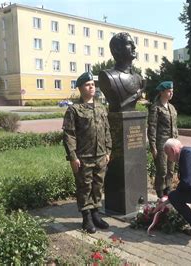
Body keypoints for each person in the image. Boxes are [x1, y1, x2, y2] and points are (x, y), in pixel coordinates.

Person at [62, 72, 112, 234]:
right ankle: (86, 218)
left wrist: (108, 151)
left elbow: (107, 130)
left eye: (93, 84)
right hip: (83, 157)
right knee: (84, 187)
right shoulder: (74, 110)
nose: (92, 87)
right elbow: (69, 135)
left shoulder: (101, 107)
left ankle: (96, 214)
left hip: (100, 155)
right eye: (88, 85)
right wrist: (72, 157)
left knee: (98, 186)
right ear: (80, 88)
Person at [99, 32, 144, 112]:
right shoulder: (107, 76)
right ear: (117, 49)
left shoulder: (138, 78)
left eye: (133, 43)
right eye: (129, 44)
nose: (134, 47)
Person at [147, 81, 178, 199]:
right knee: (162, 169)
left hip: (173, 143)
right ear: (162, 92)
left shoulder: (172, 107)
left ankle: (168, 189)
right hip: (161, 144)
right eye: (169, 91)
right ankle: (160, 192)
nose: (171, 93)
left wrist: (177, 142)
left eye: (172, 91)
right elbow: (152, 128)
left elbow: (175, 126)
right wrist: (153, 146)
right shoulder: (156, 108)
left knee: (171, 168)